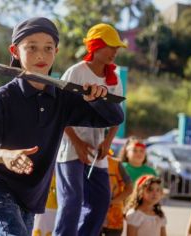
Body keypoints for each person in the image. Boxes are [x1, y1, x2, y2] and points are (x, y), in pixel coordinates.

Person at [0, 17, 124, 236]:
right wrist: (4, 155)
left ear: (56, 51)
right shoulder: (3, 97)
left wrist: (98, 99)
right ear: (14, 51)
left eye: (48, 48)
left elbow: (113, 118)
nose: (41, 55)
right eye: (31, 47)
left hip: (31, 196)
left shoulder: (63, 99)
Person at [54, 23, 127, 236]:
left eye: (117, 47)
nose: (115, 52)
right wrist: (77, 142)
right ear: (96, 46)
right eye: (111, 46)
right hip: (70, 148)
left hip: (98, 149)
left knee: (100, 202)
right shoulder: (75, 72)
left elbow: (116, 115)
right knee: (72, 202)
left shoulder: (115, 79)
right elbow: (60, 112)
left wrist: (108, 141)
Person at [101, 153, 133, 236]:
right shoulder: (86, 161)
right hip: (93, 216)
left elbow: (129, 188)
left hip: (114, 217)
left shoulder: (116, 163)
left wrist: (113, 202)